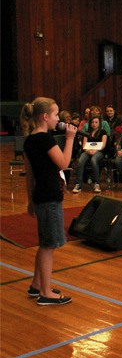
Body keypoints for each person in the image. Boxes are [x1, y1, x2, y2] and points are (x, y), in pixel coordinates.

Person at [20, 97, 76, 305]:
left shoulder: (29, 140)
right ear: (45, 117)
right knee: (48, 246)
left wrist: (30, 201)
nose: (57, 119)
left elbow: (30, 174)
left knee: (45, 243)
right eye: (55, 115)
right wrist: (69, 139)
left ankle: (36, 285)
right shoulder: (45, 139)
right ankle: (46, 292)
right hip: (50, 196)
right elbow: (63, 163)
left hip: (40, 196)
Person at [72, 115, 108, 193]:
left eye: (96, 122)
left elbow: (103, 144)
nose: (94, 124)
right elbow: (84, 145)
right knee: (80, 160)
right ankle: (78, 184)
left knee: (93, 160)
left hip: (99, 151)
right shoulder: (87, 132)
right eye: (92, 122)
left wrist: (95, 150)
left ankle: (97, 183)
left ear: (99, 123)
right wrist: (88, 150)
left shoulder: (103, 132)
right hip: (88, 151)